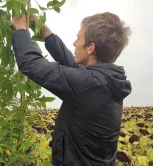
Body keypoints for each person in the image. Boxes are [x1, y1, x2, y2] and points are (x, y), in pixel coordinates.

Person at [12, 12, 132, 166]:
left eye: (78, 38)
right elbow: (73, 66)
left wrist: (20, 29)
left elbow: (31, 64)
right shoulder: (107, 81)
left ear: (90, 48)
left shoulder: (88, 84)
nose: (74, 43)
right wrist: (48, 35)